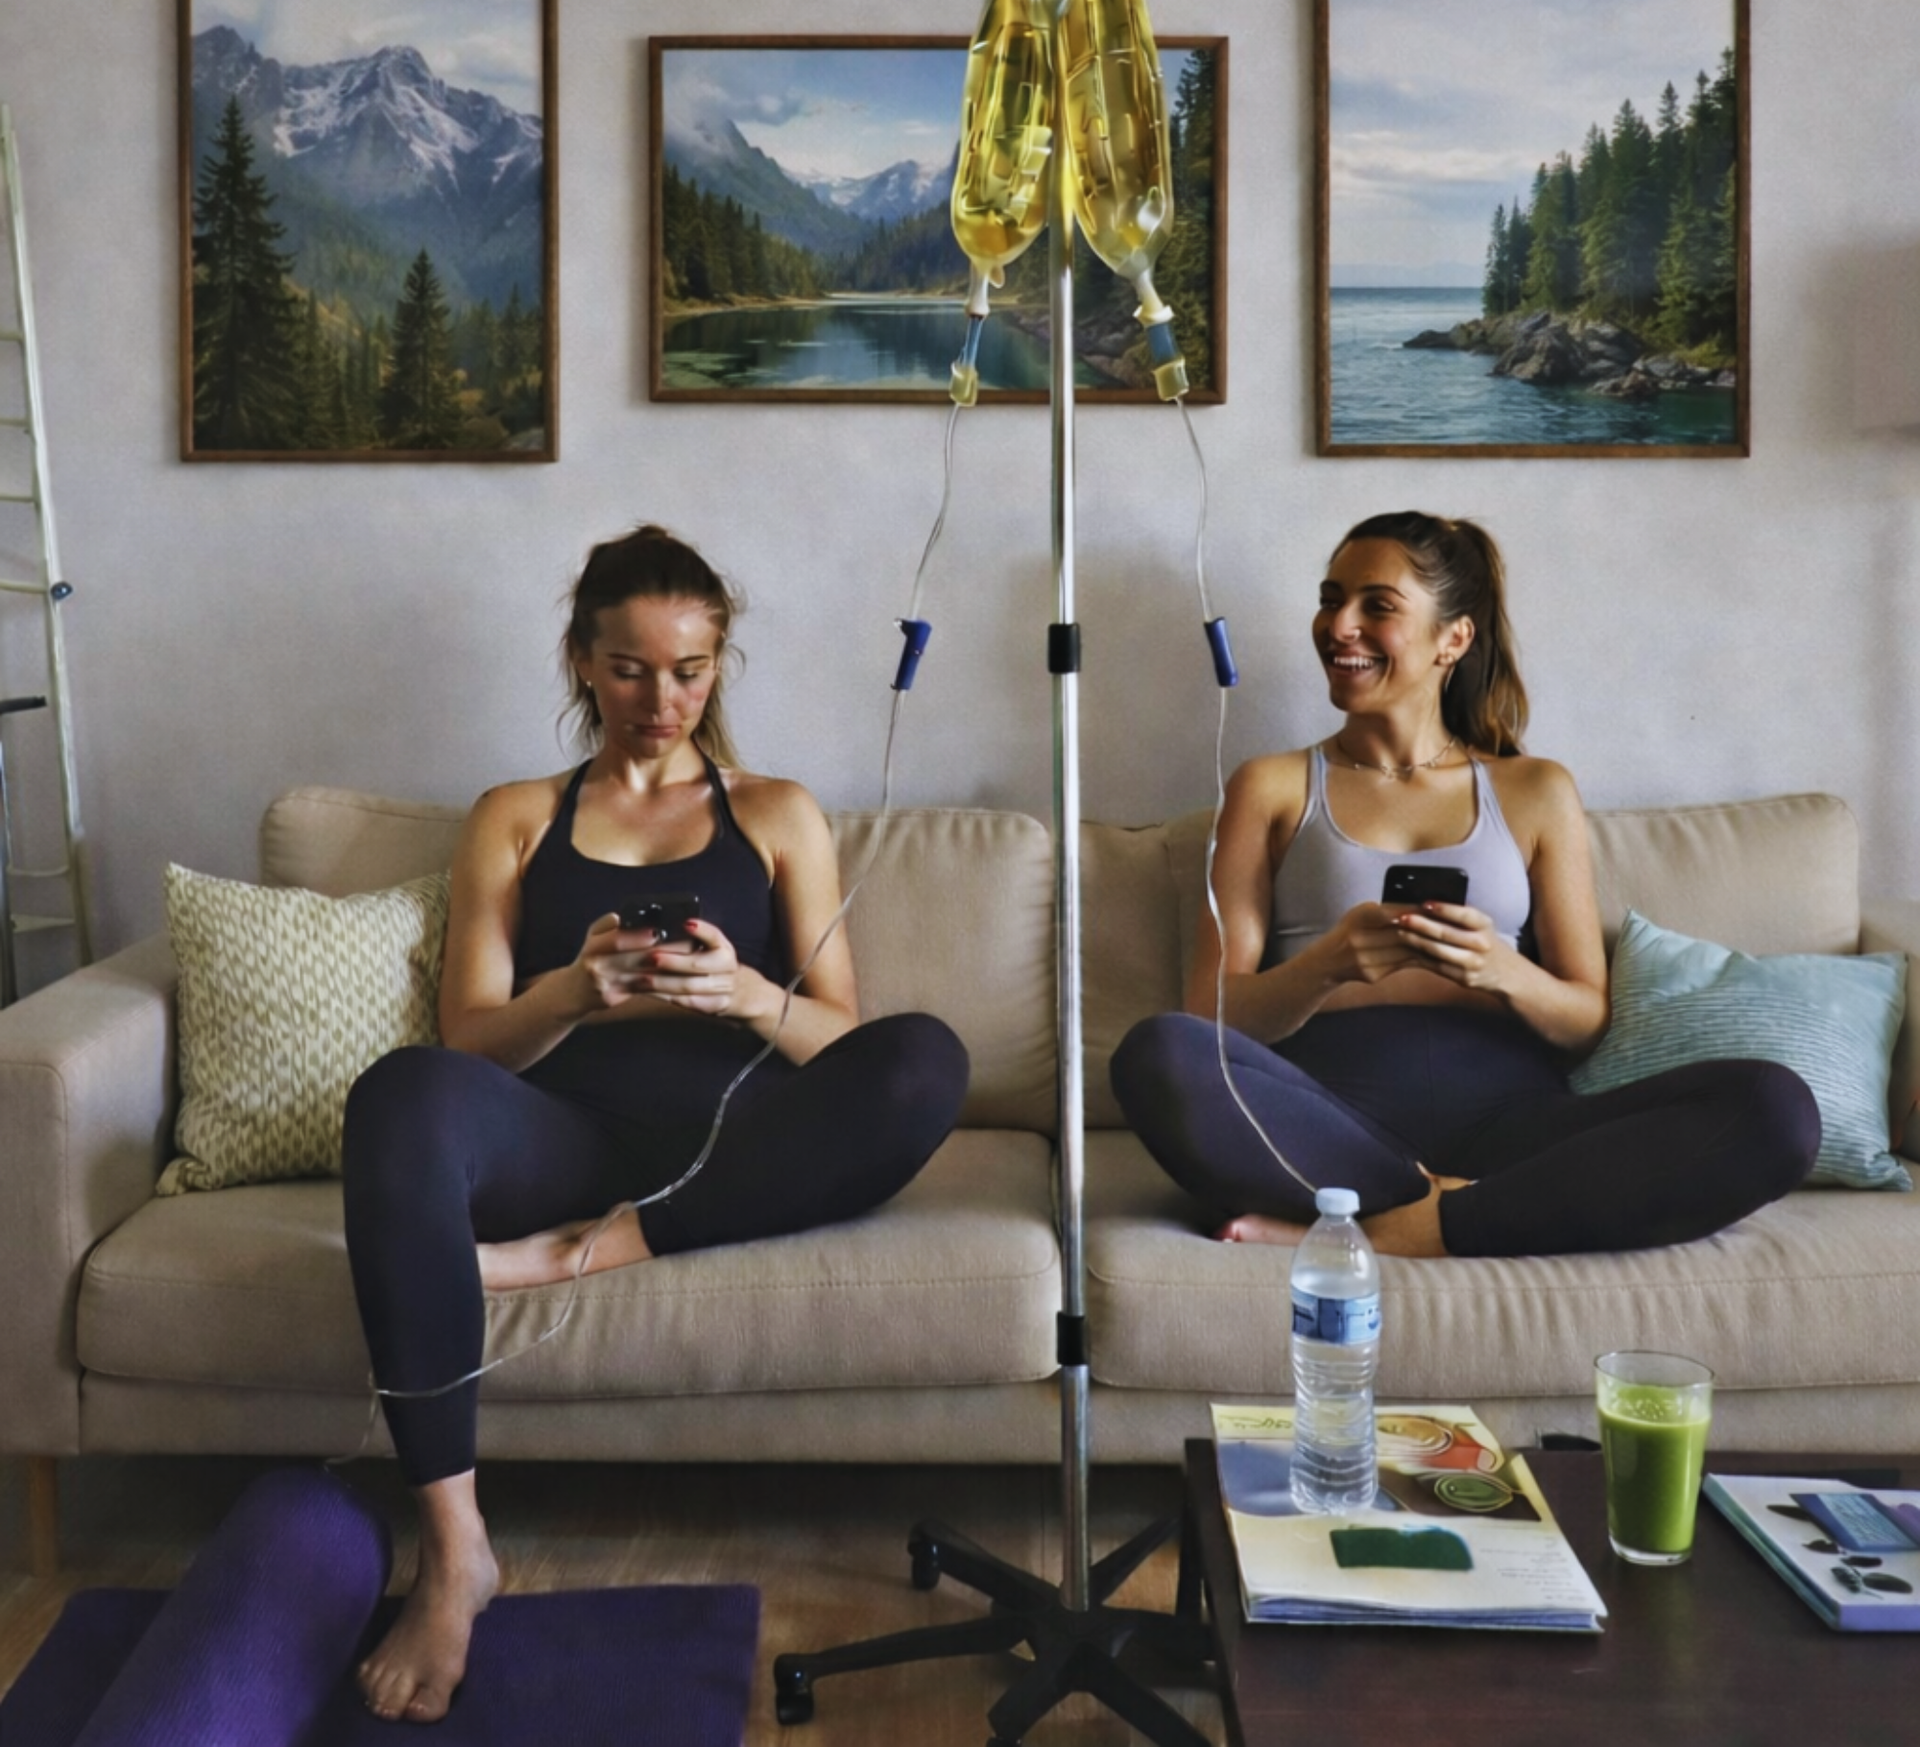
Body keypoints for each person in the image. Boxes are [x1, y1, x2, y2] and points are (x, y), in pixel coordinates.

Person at [341, 523, 969, 1723]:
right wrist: (574, 992)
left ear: (720, 666)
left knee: (929, 1059)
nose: (662, 698)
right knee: (397, 1092)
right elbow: (465, 1040)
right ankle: (456, 1546)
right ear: (584, 660)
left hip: (745, 1148)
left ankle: (603, 1245)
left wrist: (746, 994)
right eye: (631, 668)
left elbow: (850, 1043)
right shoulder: (515, 816)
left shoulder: (779, 813)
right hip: (562, 1132)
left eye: (690, 670)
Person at [1111, 509, 1819, 1264]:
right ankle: (1450, 1212)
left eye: (1376, 606)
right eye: (1330, 598)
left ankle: (1395, 1231)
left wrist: (1502, 971)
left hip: (1513, 1123)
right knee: (1157, 1053)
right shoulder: (1272, 785)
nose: (1338, 624)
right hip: (1323, 1119)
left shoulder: (1536, 789)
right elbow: (1211, 1014)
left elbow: (1587, 1019)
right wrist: (1331, 963)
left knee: (1774, 1109)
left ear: (1454, 638)